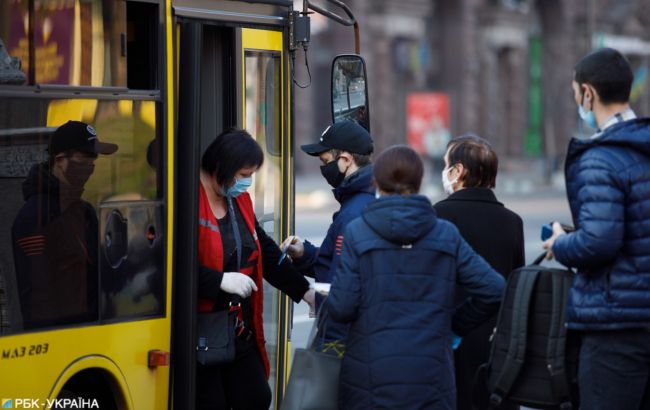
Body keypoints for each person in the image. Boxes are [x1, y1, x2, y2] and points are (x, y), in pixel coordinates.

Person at [328, 145, 506, 410]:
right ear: (419, 182)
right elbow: (495, 288)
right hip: (431, 372)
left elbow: (341, 308)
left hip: (369, 373)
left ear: (377, 182)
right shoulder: (445, 233)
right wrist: (453, 325)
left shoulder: (358, 232)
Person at [543, 48, 650, 410]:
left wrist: (561, 243)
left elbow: (600, 242)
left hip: (616, 324)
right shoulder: (642, 143)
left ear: (588, 93)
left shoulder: (601, 156)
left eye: (576, 93)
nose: (578, 102)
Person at [197, 128, 315, 409]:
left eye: (251, 174)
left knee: (257, 397)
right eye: (244, 174)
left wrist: (305, 292)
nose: (248, 182)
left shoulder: (238, 200)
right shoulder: (187, 199)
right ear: (222, 168)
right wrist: (219, 280)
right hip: (199, 333)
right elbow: (170, 267)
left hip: (237, 328)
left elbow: (265, 252)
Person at [434, 134, 524, 410]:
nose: (444, 171)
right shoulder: (513, 222)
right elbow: (515, 288)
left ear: (458, 171)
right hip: (500, 348)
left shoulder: (438, 215)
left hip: (451, 345)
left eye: (446, 164)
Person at [12, 120, 118, 329]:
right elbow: (38, 298)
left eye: (93, 160)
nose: (89, 167)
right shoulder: (35, 216)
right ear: (59, 160)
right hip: (60, 340)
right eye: (83, 159)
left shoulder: (84, 211)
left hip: (91, 333)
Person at [281, 120, 374, 353]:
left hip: (343, 339)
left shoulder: (353, 213)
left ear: (345, 159)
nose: (324, 170)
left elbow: (340, 288)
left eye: (325, 162)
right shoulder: (362, 199)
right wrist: (305, 254)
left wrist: (329, 346)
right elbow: (339, 264)